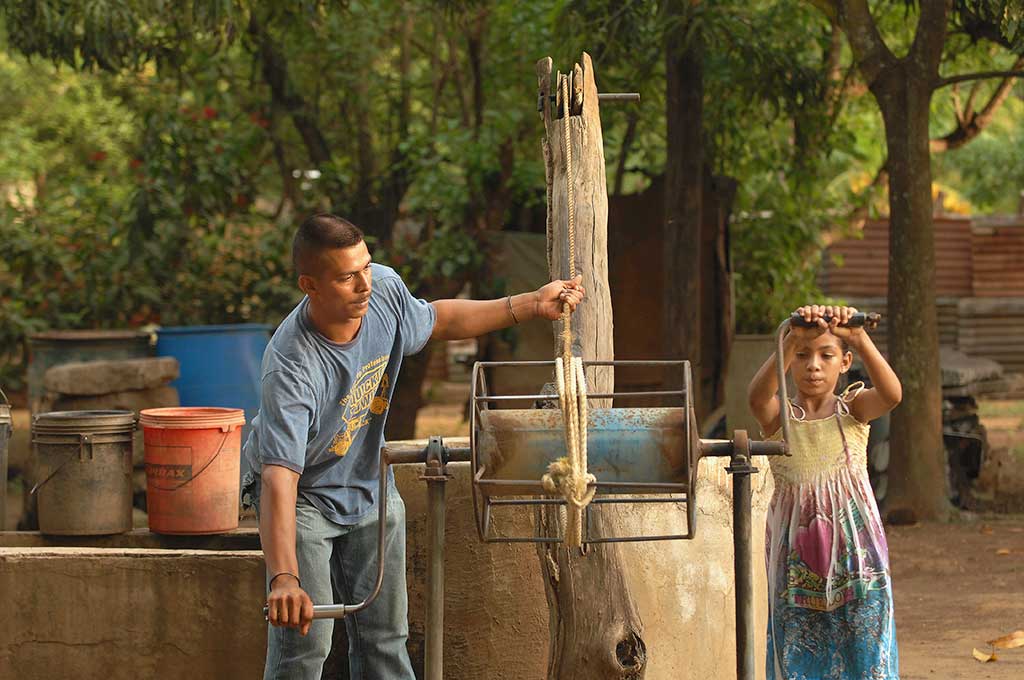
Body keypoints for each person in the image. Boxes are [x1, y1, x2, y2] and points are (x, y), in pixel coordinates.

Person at [240, 213, 585, 679]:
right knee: (306, 642)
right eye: (346, 276)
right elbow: (280, 479)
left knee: (385, 636)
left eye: (366, 265)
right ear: (310, 284)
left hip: (368, 484)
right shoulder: (292, 366)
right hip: (303, 500)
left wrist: (529, 303)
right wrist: (284, 577)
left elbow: (436, 318)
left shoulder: (381, 290)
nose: (364, 284)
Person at [747, 304, 902, 679]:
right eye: (802, 356)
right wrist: (790, 339)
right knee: (799, 645)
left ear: (844, 362)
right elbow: (756, 398)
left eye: (825, 355)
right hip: (796, 561)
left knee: (866, 644)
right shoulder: (780, 418)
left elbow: (892, 394)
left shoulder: (853, 409)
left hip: (857, 556)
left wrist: (859, 337)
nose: (813, 365)